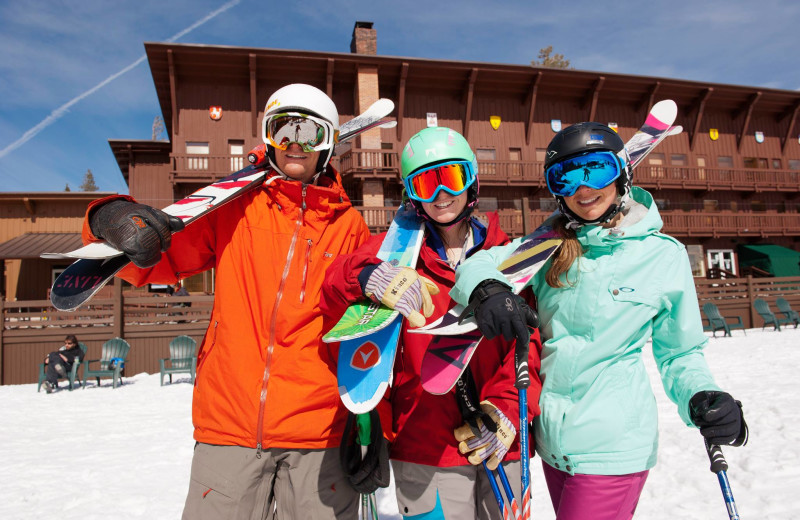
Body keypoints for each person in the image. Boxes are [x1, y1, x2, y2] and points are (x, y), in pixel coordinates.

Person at [80, 84, 371, 519]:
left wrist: (369, 423)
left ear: (327, 142)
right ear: (268, 136)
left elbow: (366, 332)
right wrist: (108, 219)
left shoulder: (351, 227)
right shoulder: (234, 206)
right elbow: (154, 261)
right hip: (230, 425)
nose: (294, 144)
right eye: (282, 130)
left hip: (319, 429)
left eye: (307, 132)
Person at [450, 122, 748, 520]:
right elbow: (484, 262)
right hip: (554, 444)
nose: (583, 188)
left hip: (614, 447)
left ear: (621, 174)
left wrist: (702, 395)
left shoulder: (662, 256)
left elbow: (680, 352)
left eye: (596, 170)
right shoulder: (547, 248)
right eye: (565, 176)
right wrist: (488, 288)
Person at [321, 127, 542, 519]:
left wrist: (507, 408)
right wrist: (366, 275)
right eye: (426, 182)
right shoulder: (395, 251)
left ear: (471, 180)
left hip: (497, 439)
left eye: (451, 178)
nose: (441, 195)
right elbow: (333, 285)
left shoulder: (503, 254)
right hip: (426, 446)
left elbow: (527, 339)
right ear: (411, 192)